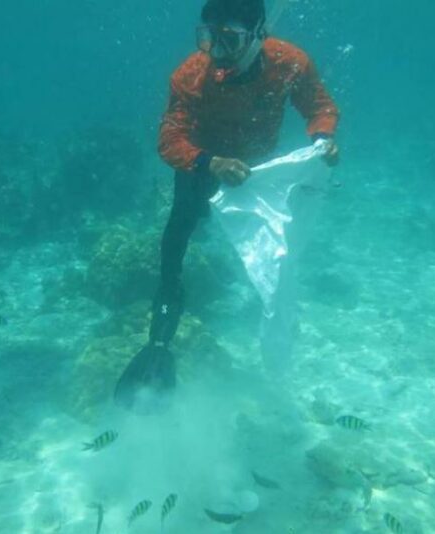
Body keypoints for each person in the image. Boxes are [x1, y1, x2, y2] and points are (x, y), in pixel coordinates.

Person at [114, 0, 340, 410]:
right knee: (177, 237)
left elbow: (318, 106)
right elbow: (170, 139)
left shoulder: (289, 63)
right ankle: (159, 340)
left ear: (258, 36)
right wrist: (210, 163)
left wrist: (321, 138)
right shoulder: (190, 76)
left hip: (256, 173)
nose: (215, 52)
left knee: (274, 247)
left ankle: (272, 313)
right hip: (203, 164)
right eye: (207, 38)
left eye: (228, 40)